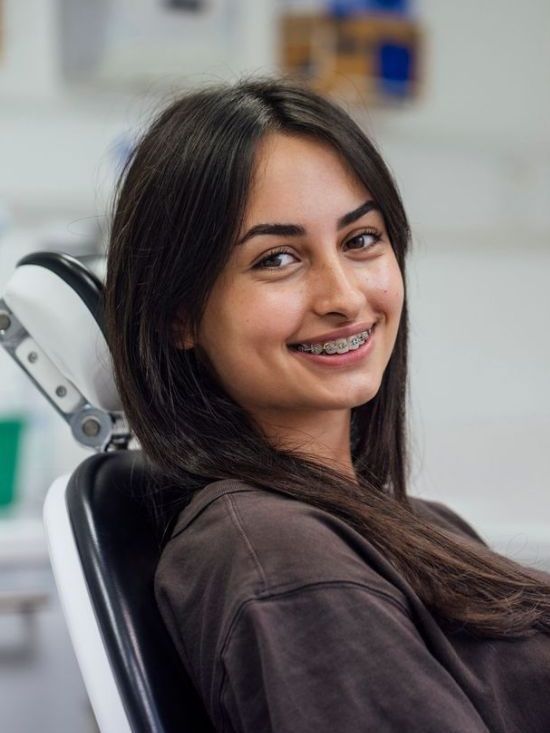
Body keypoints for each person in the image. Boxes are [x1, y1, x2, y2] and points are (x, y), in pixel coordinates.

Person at [104, 77, 550, 732]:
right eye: (278, 258)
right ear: (179, 315)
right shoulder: (282, 561)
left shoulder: (411, 522)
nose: (343, 295)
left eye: (361, 240)